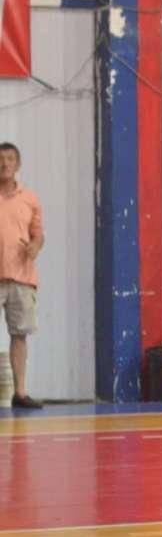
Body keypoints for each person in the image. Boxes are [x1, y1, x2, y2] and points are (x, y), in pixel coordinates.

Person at [0, 142, 43, 409]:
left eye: (10, 159)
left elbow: (38, 234)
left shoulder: (30, 198)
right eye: (1, 159)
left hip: (21, 277)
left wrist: (35, 247)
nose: (5, 163)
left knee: (19, 334)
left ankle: (20, 392)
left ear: (18, 164)